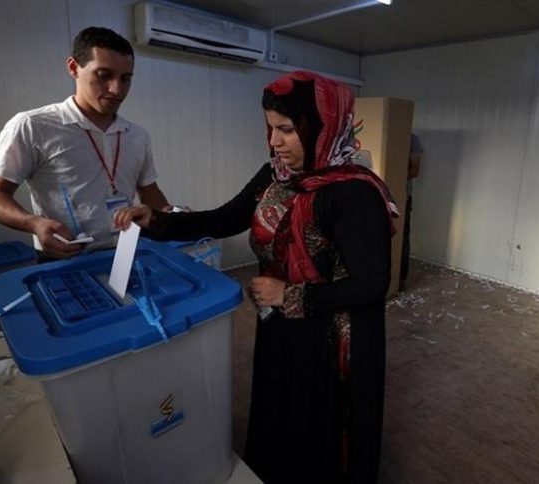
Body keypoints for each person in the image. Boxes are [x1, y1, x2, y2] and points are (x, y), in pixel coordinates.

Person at [115, 71, 398, 483]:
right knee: (282, 407)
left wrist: (291, 295)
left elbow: (372, 284)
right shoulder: (274, 176)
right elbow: (225, 218)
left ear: (321, 127)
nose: (275, 141)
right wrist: (157, 221)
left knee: (318, 423)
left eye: (287, 130)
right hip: (279, 319)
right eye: (271, 128)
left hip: (331, 335)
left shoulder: (355, 193)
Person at [0, 26, 171, 261]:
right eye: (103, 75)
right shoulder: (33, 126)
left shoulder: (137, 135)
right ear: (73, 68)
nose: (116, 89)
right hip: (63, 258)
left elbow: (150, 194)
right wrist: (35, 224)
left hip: (126, 254)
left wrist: (174, 216)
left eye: (125, 78)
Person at [400, 133, 423, 289]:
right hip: (378, 195)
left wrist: (392, 177)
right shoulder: (380, 133)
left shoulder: (412, 139)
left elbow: (415, 171)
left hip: (402, 195)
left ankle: (400, 278)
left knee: (402, 236)